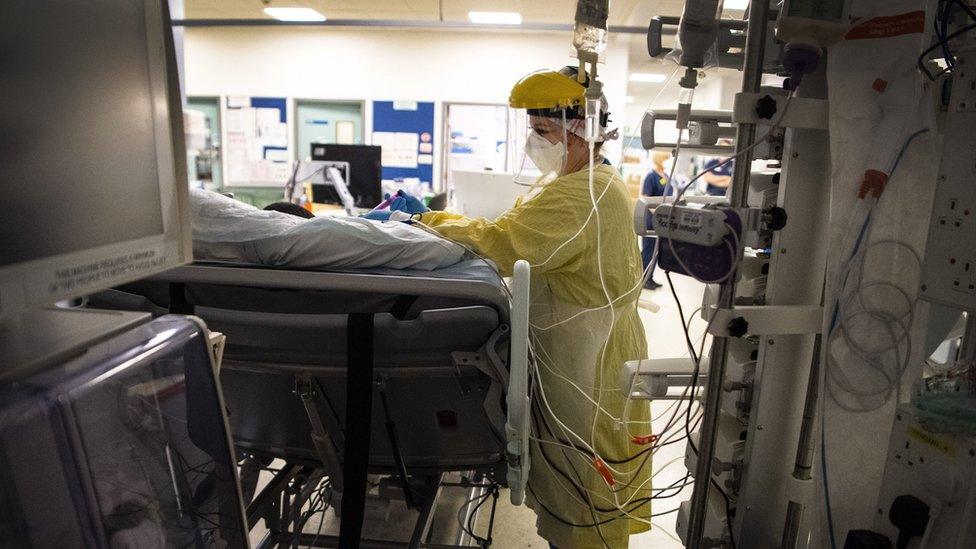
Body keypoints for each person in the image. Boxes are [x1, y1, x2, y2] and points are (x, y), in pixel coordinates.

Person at [390, 67, 651, 548]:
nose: (535, 142)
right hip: (590, 350)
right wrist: (437, 217)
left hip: (586, 363)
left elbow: (502, 242)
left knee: (584, 490)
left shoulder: (584, 193)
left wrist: (420, 220)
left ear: (583, 130)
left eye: (543, 132)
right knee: (582, 487)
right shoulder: (587, 182)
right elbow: (512, 226)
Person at [640, 151, 672, 290]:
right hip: (651, 219)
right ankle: (642, 279)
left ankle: (650, 278)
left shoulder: (667, 177)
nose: (669, 160)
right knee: (648, 250)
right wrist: (659, 214)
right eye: (667, 158)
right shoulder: (651, 177)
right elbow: (645, 199)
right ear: (660, 159)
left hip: (662, 220)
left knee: (657, 250)